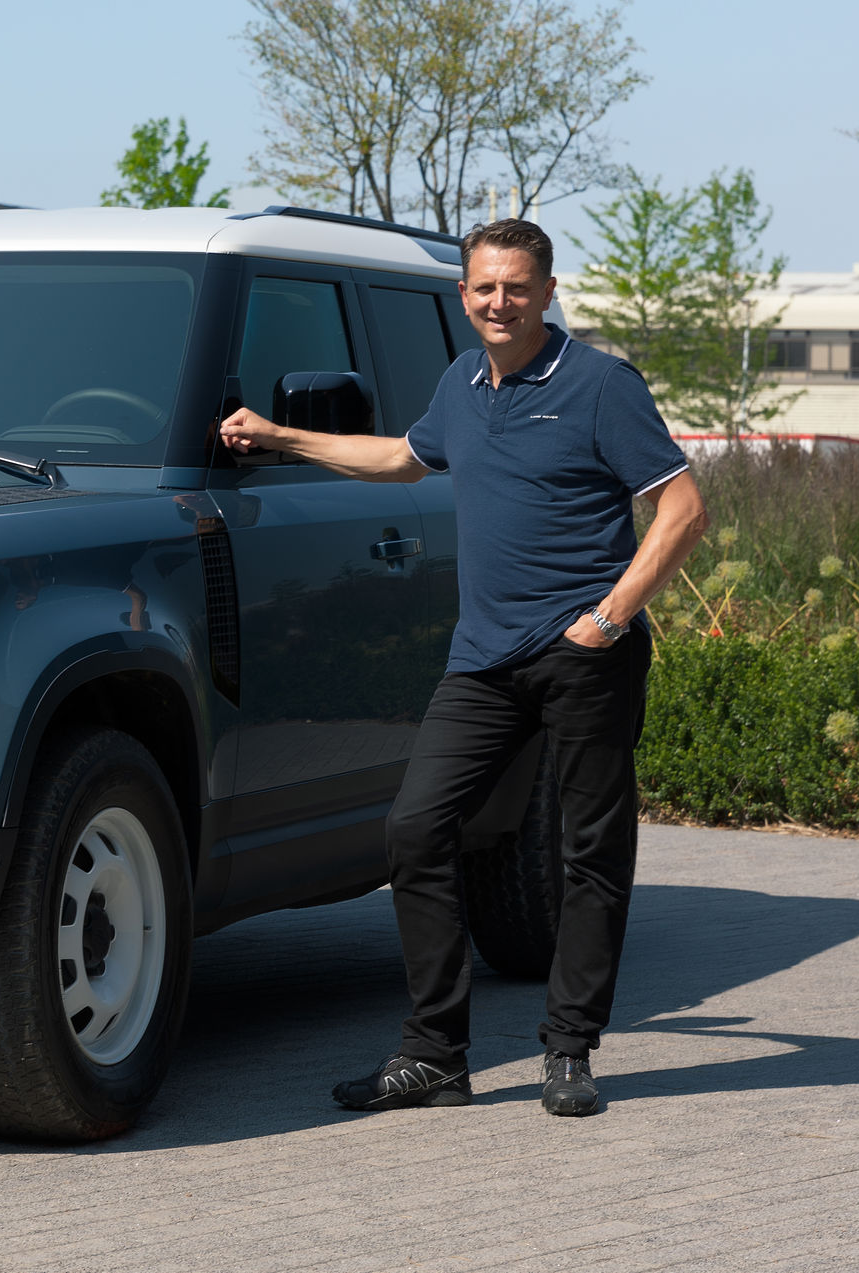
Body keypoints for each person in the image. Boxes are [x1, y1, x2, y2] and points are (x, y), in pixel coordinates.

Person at [218, 217, 709, 1116]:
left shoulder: (601, 385)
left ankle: (569, 1050)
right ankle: (436, 1054)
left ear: (548, 292)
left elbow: (681, 509)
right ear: (464, 293)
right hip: (483, 659)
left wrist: (606, 620)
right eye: (484, 286)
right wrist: (280, 436)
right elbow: (402, 458)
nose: (499, 301)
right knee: (415, 829)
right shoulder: (461, 383)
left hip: (583, 657)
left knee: (590, 853)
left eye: (517, 286)